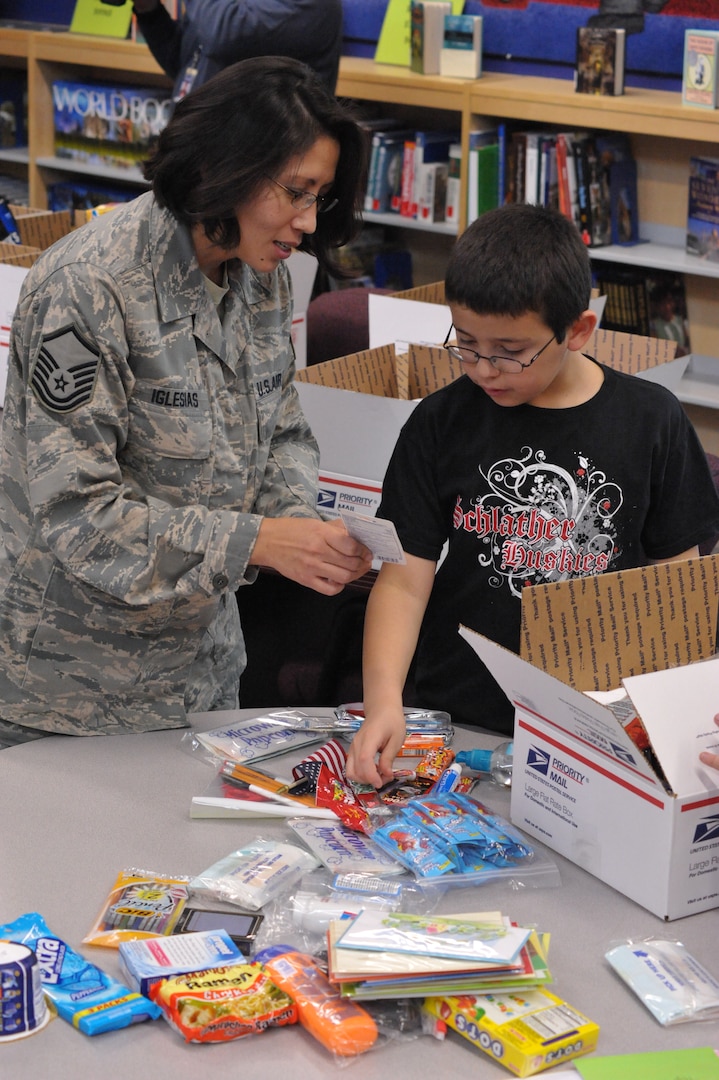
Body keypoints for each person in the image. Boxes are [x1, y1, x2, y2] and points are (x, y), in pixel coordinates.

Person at [0, 56, 372, 746]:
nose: (306, 223)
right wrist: (261, 541)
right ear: (224, 168)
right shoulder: (91, 287)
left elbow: (281, 432)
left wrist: (300, 531)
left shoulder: (263, 275)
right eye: (295, 192)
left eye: (317, 198)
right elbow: (79, 516)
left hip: (201, 673)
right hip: (69, 692)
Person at [346, 203, 719, 787]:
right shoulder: (440, 421)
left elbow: (677, 592)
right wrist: (383, 700)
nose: (485, 370)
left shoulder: (652, 421)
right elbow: (403, 578)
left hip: (597, 724)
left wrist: (674, 725)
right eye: (466, 344)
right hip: (463, 711)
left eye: (510, 351)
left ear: (577, 330)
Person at [132, 0, 343, 99]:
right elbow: (188, 66)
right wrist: (149, 10)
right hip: (200, 163)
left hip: (262, 171)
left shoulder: (314, 4)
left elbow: (222, 34)